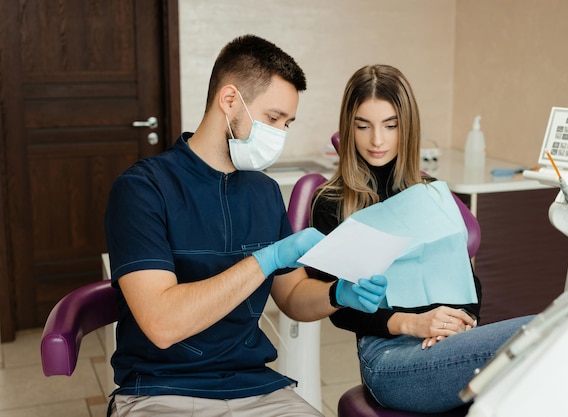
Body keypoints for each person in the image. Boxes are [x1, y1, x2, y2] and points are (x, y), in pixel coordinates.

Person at [104, 35, 388, 417]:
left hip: (255, 388)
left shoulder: (264, 192)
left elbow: (291, 296)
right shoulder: (143, 189)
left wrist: (339, 294)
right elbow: (163, 324)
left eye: (287, 123)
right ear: (229, 100)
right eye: (273, 118)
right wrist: (265, 260)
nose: (280, 134)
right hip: (162, 389)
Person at [310, 64, 534, 414]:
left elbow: (468, 282)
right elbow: (337, 307)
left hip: (450, 342)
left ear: (407, 126)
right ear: (348, 127)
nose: (377, 140)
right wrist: (413, 323)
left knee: (550, 337)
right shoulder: (334, 202)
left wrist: (459, 323)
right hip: (387, 355)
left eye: (390, 125)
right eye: (363, 126)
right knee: (540, 333)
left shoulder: (430, 194)